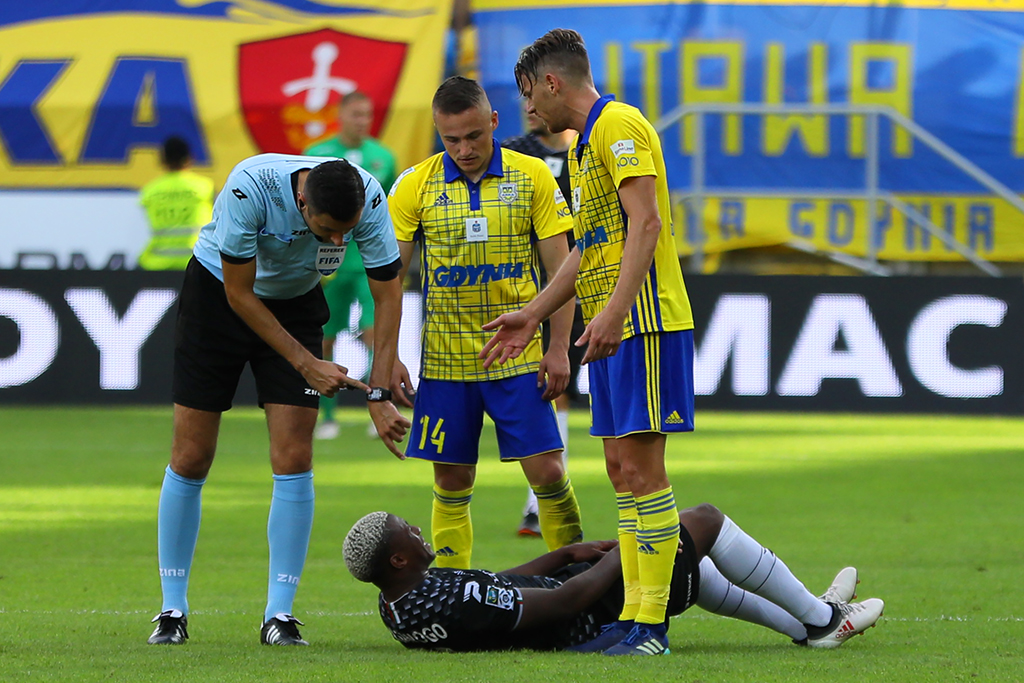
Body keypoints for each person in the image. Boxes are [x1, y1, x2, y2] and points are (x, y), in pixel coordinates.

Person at [480, 28, 697, 654]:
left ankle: (651, 626)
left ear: (552, 83)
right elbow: (589, 246)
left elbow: (646, 222)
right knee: (619, 470)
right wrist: (533, 313)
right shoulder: (581, 149)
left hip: (645, 323)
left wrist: (615, 313)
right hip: (611, 328)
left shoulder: (619, 125)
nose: (526, 110)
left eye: (528, 95)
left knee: (644, 472)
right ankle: (631, 615)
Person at [147, 154, 411, 647]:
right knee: (191, 455)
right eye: (328, 231)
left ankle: (280, 615)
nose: (339, 243)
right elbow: (239, 294)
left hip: (295, 304)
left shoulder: (369, 196)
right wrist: (306, 363)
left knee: (294, 456)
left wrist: (378, 393)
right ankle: (171, 609)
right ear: (302, 202)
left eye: (346, 233)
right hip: (217, 300)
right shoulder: (249, 187)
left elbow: (388, 293)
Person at [386, 76, 582, 569]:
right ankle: (454, 592)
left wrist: (559, 347)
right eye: (451, 139)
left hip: (518, 357)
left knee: (548, 471)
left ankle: (575, 582)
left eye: (474, 135)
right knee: (452, 479)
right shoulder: (414, 185)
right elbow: (389, 282)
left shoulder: (532, 175)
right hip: (445, 362)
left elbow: (561, 272)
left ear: (494, 121)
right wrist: (387, 358)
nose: (464, 149)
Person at [343, 505, 885, 654]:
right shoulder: (445, 600)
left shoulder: (400, 605)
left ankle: (804, 622)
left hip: (579, 594)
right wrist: (631, 547)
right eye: (407, 531)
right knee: (701, 522)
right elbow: (563, 604)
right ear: (398, 560)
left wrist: (566, 553)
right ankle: (822, 619)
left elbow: (496, 584)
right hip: (594, 615)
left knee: (695, 563)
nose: (418, 530)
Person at [501, 104, 583, 538]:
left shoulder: (585, 153)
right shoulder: (514, 152)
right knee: (539, 389)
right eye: (524, 101)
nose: (529, 109)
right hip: (521, 289)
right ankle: (540, 501)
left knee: (556, 388)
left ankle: (539, 503)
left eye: (536, 99)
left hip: (572, 285)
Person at [304, 91, 399, 440]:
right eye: (356, 114)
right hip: (329, 264)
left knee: (374, 333)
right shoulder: (316, 154)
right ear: (340, 115)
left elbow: (390, 211)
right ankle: (327, 416)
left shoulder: (383, 157)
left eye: (367, 115)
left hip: (368, 262)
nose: (362, 121)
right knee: (326, 337)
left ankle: (378, 403)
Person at [138, 136, 214, 270]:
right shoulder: (204, 187)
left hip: (157, 262)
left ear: (162, 160)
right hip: (198, 261)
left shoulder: (150, 190)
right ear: (190, 158)